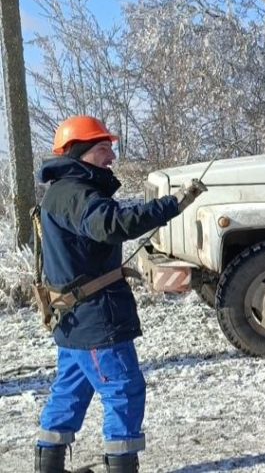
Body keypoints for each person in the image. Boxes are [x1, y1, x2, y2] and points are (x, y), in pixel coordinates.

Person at [35, 116, 207, 473]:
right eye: (103, 150)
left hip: (74, 318)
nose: (111, 157)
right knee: (124, 390)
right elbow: (110, 225)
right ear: (79, 152)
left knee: (70, 392)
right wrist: (169, 206)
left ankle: (47, 465)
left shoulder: (64, 191)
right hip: (94, 318)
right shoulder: (76, 194)